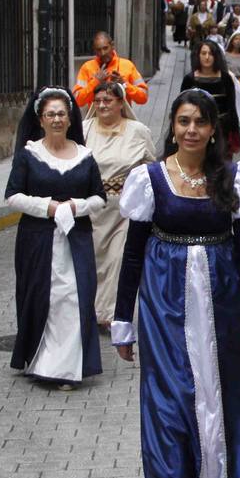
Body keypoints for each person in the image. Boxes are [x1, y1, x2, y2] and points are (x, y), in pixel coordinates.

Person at [112, 89, 240, 478]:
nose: (191, 130)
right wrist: (124, 320)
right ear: (173, 126)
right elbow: (134, 253)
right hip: (164, 306)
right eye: (183, 121)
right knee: (169, 407)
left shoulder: (233, 177)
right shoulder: (151, 179)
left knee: (221, 405)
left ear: (213, 129)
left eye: (200, 122)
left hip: (221, 308)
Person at [5, 88, 106, 388]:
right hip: (38, 240)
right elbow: (12, 196)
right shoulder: (28, 155)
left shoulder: (85, 156)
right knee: (42, 296)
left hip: (77, 240)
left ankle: (67, 368)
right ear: (41, 119)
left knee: (75, 298)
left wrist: (75, 207)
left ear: (71, 117)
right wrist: (48, 207)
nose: (57, 119)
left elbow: (99, 198)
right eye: (51, 114)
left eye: (62, 113)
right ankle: (42, 361)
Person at [82, 80, 155, 326]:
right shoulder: (84, 130)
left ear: (120, 103)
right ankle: (89, 308)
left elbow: (150, 166)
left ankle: (108, 314)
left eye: (108, 100)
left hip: (123, 210)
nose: (102, 105)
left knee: (117, 259)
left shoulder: (138, 131)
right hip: (90, 210)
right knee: (93, 261)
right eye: (98, 100)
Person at [180, 40, 240, 156]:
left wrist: (234, 132)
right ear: (198, 56)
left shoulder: (225, 79)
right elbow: (181, 108)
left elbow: (231, 107)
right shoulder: (190, 79)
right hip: (196, 129)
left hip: (221, 129)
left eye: (211, 54)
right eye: (203, 53)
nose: (207, 57)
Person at [74, 32, 148, 109]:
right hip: (97, 118)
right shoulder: (87, 67)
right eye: (98, 50)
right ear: (94, 50)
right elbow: (78, 100)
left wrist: (124, 84)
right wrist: (95, 82)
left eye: (105, 48)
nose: (103, 53)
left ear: (112, 45)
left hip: (122, 118)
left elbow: (143, 98)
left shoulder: (127, 65)